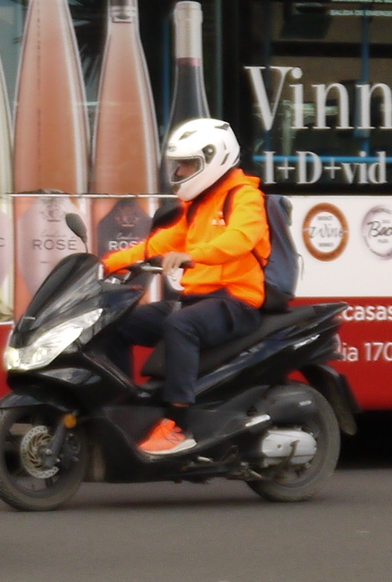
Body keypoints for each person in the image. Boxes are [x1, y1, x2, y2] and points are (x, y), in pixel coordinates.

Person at [97, 117, 270, 454]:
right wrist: (102, 265)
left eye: (187, 165)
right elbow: (157, 243)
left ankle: (180, 424)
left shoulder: (245, 197)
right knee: (115, 321)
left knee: (180, 325)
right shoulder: (197, 206)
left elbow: (239, 239)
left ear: (213, 158)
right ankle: (124, 406)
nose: (178, 174)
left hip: (236, 301)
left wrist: (192, 255)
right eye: (178, 166)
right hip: (198, 299)